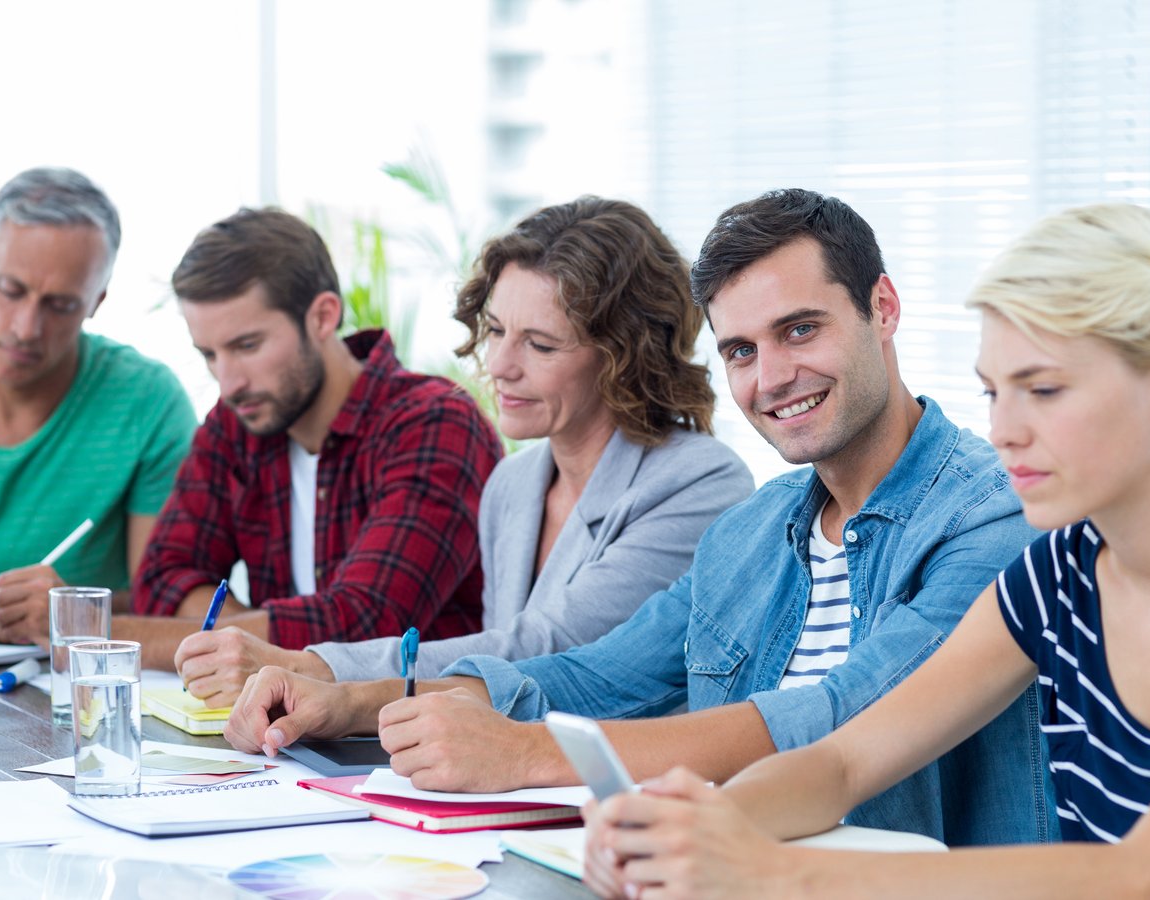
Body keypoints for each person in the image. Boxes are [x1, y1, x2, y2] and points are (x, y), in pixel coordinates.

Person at [226, 189, 1053, 847]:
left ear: (883, 307)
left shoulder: (994, 515)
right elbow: (594, 675)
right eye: (740, 350)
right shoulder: (753, 535)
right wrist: (355, 701)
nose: (772, 376)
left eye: (800, 329)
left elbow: (846, 715)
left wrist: (527, 754)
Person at [583, 203, 1150, 900]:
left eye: (1044, 389)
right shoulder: (1057, 579)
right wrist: (697, 824)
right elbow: (844, 763)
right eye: (994, 393)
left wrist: (773, 871)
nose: (1004, 430)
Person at [173, 196, 754, 705]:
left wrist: (312, 666)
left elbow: (546, 652)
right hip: (516, 782)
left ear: (625, 356)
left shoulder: (700, 482)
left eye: (541, 344)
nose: (498, 366)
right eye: (497, 330)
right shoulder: (515, 485)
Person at [120, 207, 503, 670]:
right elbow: (162, 579)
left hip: (409, 730)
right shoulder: (237, 422)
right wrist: (249, 645)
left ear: (322, 317)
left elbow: (366, 625)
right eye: (210, 355)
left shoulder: (435, 423)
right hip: (279, 730)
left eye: (247, 346)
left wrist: (239, 646)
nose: (229, 382)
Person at [0, 167, 195, 645]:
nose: (25, 327)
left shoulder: (147, 403)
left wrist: (66, 609)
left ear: (96, 301)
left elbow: (156, 598)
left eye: (60, 305)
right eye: (10, 290)